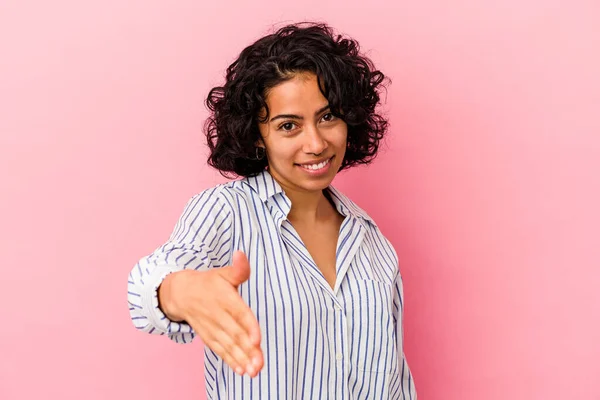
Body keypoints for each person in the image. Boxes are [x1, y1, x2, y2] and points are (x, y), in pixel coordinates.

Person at [127, 22, 417, 399]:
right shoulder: (227, 211)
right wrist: (179, 290)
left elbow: (395, 383)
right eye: (288, 126)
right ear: (257, 136)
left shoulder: (372, 242)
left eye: (328, 117)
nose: (315, 143)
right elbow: (151, 280)